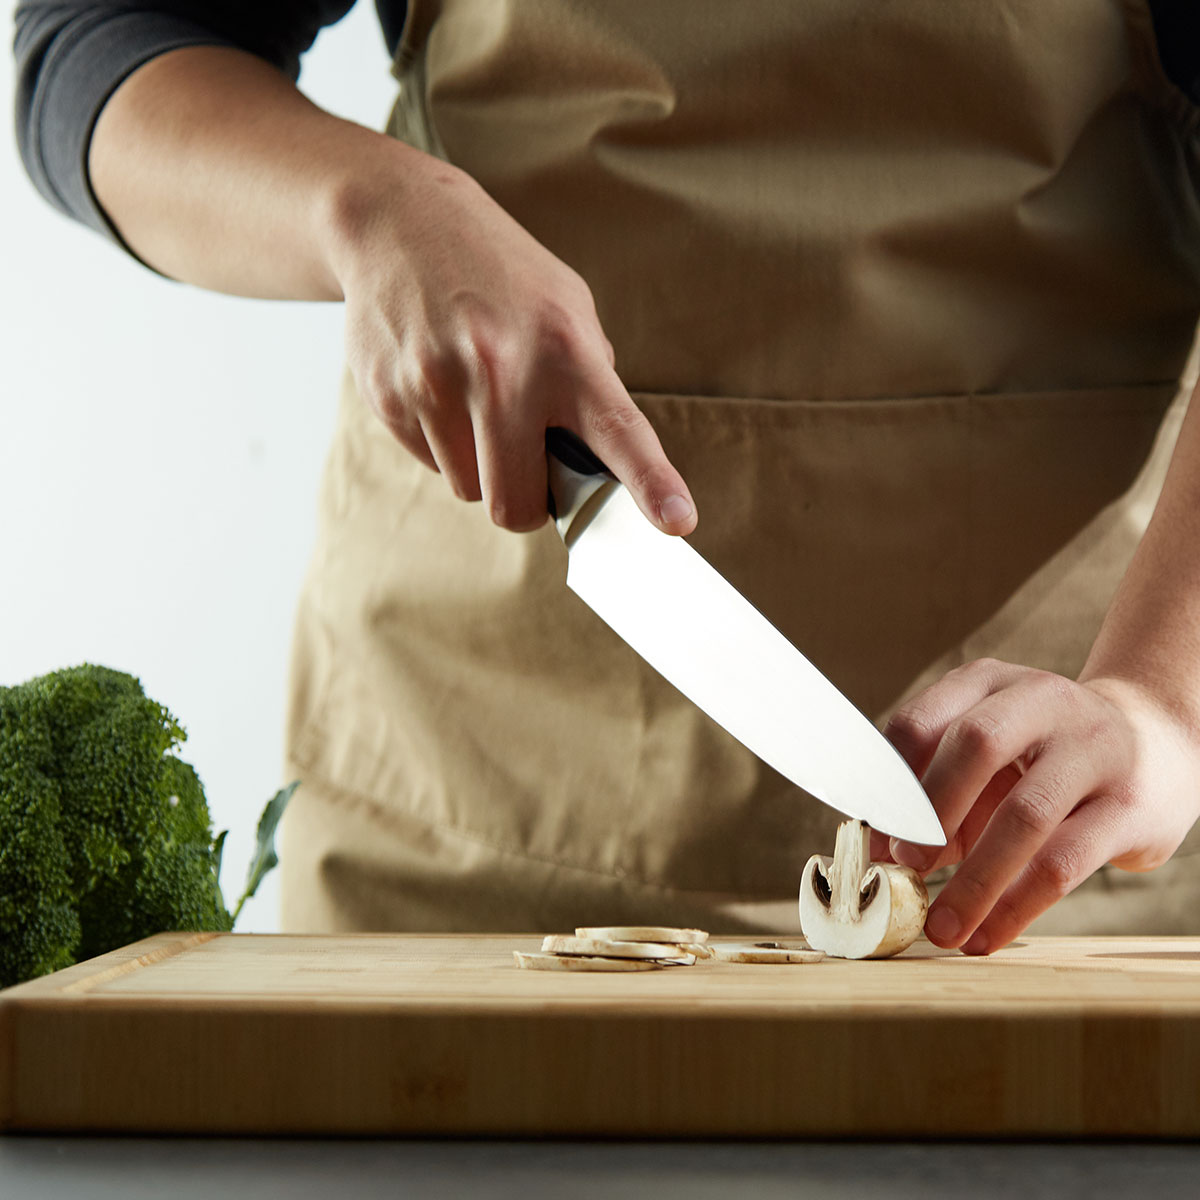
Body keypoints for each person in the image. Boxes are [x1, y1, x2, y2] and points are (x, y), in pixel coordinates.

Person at [15, 0, 1200, 954]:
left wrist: (1162, 696)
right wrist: (366, 205)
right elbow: (102, 40)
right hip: (456, 835)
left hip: (1038, 858)